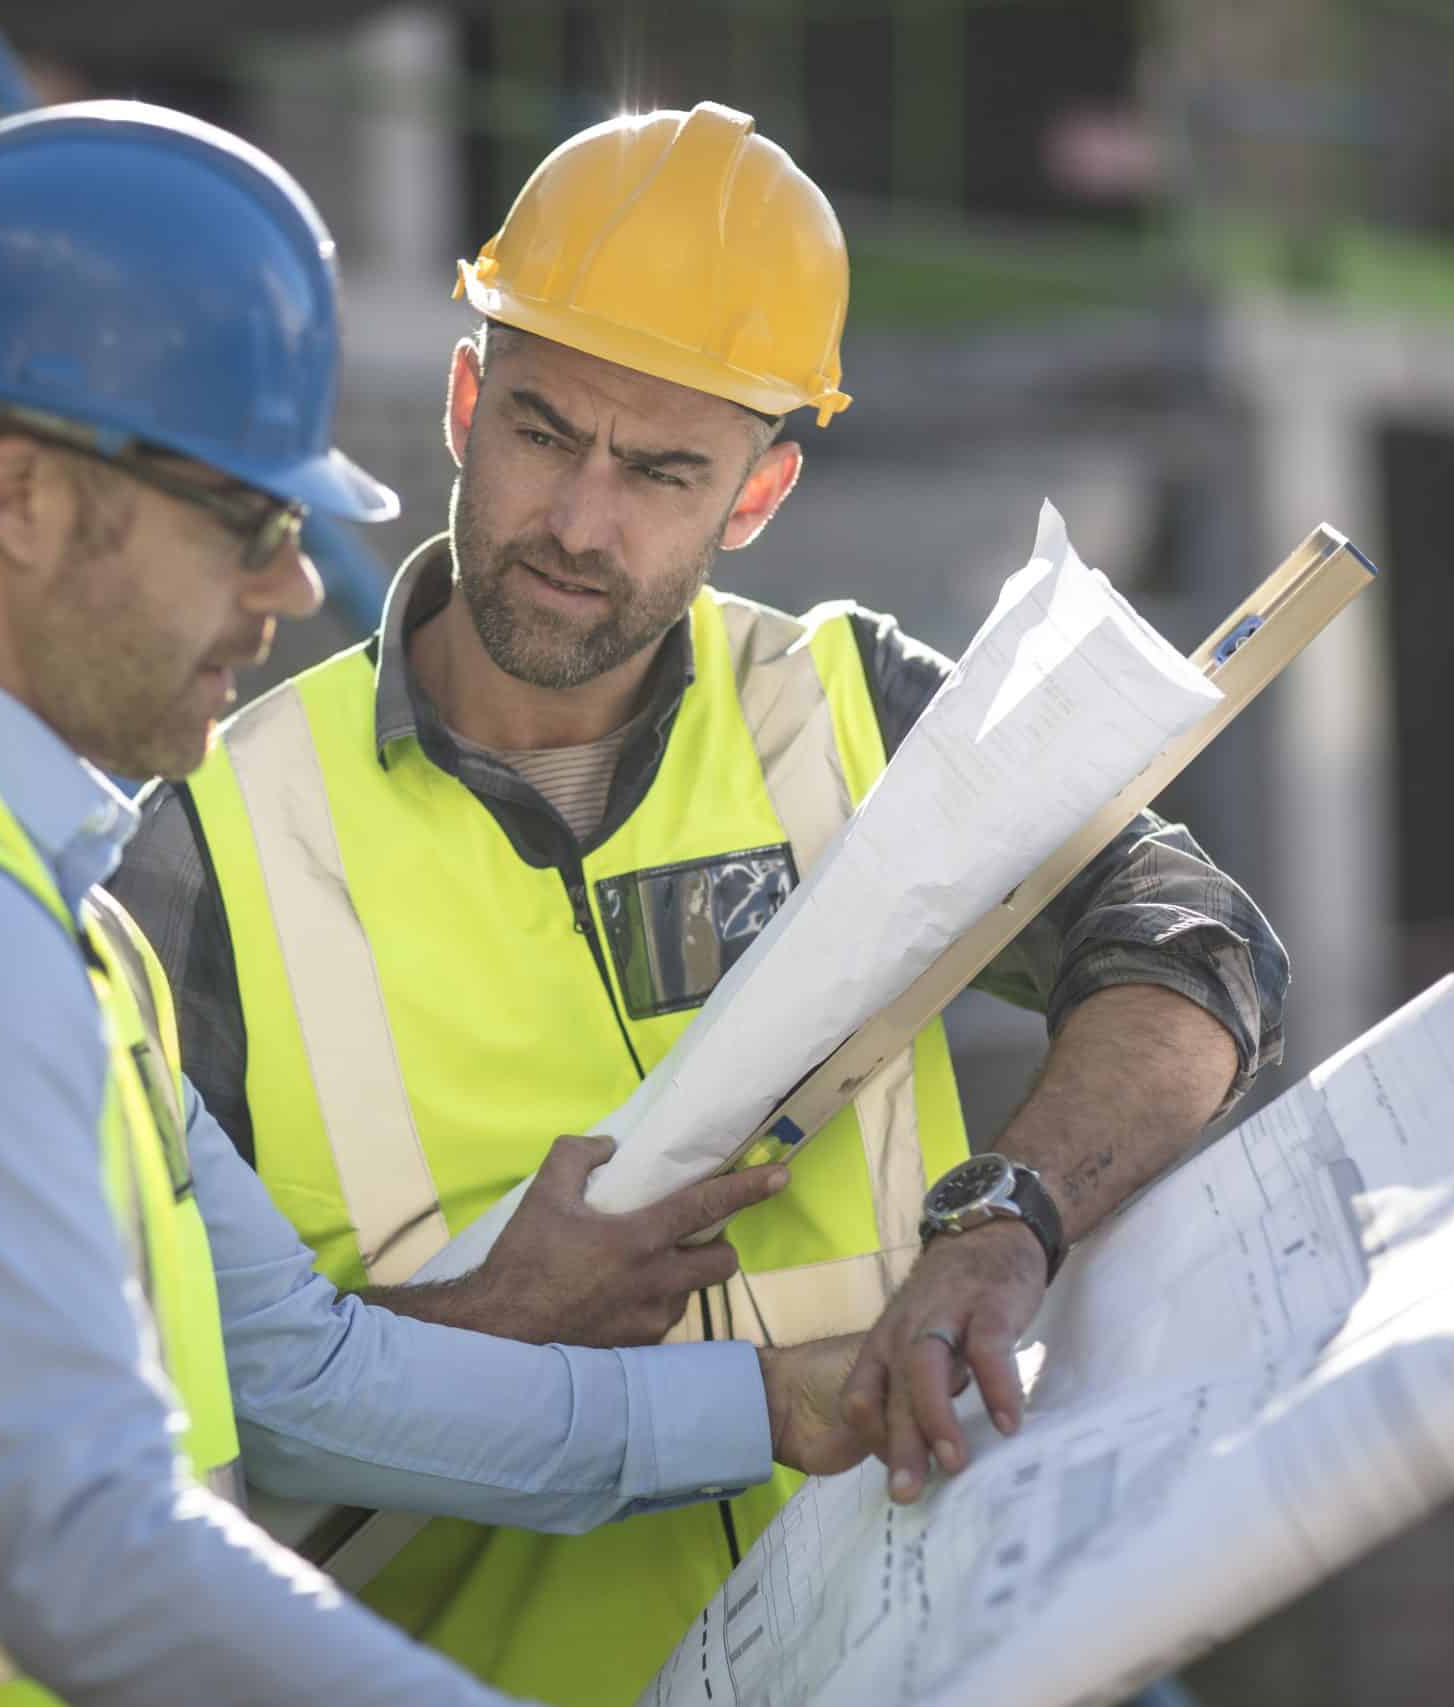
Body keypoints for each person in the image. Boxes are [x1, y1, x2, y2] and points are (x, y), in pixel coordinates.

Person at [0, 101, 872, 1707]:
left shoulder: (30, 901)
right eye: (245, 518)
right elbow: (97, 1557)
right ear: (22, 497)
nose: (294, 586)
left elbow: (302, 1377)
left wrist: (779, 1410)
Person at [109, 100, 1289, 1705]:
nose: (581, 525)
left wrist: (1011, 1222)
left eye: (662, 471)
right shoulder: (210, 838)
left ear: (759, 494)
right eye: (542, 433)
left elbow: (1193, 945)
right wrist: (479, 1320)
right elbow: (140, 1407)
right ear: (465, 396)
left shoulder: (856, 712)